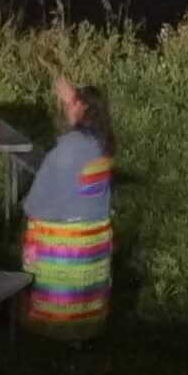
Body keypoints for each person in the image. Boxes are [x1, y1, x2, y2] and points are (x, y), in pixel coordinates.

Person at [22, 75, 118, 342]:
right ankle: (86, 331)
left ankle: (54, 331)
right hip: (95, 235)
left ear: (82, 108)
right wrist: (73, 100)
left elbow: (39, 199)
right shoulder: (102, 145)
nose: (66, 109)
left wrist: (29, 208)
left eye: (71, 104)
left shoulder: (66, 152)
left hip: (64, 239)